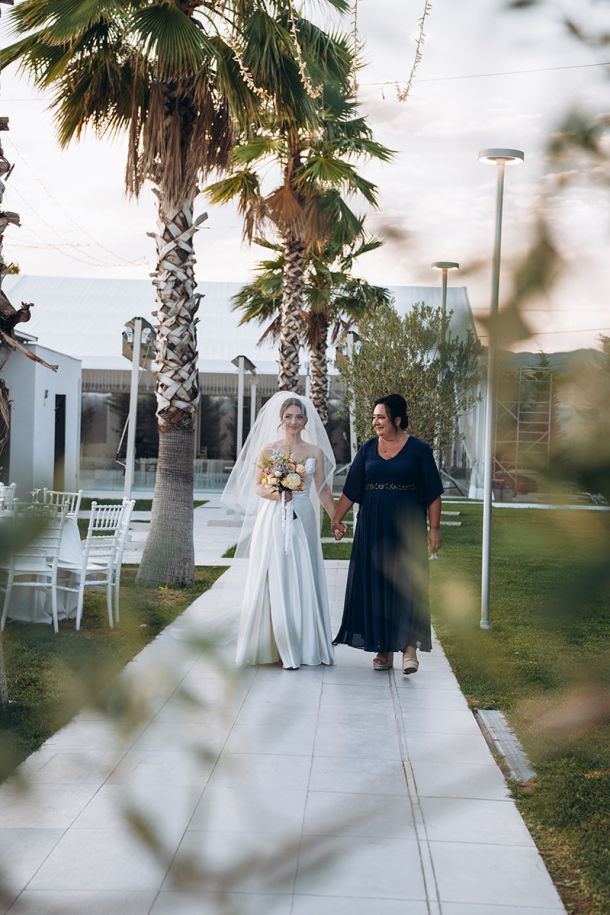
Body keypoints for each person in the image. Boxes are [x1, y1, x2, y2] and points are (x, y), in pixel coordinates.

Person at [221, 392, 337, 670]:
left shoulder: (314, 452)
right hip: (273, 517)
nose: (293, 421)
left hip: (303, 516)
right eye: (288, 417)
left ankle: (305, 643)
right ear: (280, 419)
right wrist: (278, 493)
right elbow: (257, 486)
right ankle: (273, 642)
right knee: (274, 573)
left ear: (306, 421)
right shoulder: (267, 451)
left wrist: (336, 518)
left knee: (303, 572)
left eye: (298, 417)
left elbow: (322, 489)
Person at [332, 393, 443, 673]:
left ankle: (409, 647)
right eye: (373, 417)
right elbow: (351, 490)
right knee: (377, 584)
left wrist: (435, 529)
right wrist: (336, 518)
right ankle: (382, 647)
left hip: (407, 528)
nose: (375, 422)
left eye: (381, 417)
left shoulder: (419, 451)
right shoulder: (367, 449)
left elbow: (433, 493)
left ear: (397, 419)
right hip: (372, 527)